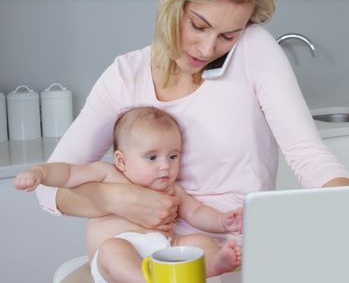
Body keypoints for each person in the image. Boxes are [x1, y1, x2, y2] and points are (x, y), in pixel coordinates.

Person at [35, 0, 349, 271]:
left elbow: (308, 156)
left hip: (226, 256)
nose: (207, 48)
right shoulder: (124, 76)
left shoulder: (254, 50)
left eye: (228, 36)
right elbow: (48, 190)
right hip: (142, 253)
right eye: (198, 26)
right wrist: (115, 199)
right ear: (174, 3)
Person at [16, 107, 242, 283]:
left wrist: (223, 221)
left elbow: (196, 212)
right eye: (152, 157)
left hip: (161, 255)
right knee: (112, 249)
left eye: (173, 156)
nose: (165, 166)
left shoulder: (171, 189)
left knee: (198, 241)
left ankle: (211, 265)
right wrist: (40, 172)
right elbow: (67, 173)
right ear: (121, 161)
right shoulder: (107, 174)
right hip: (114, 267)